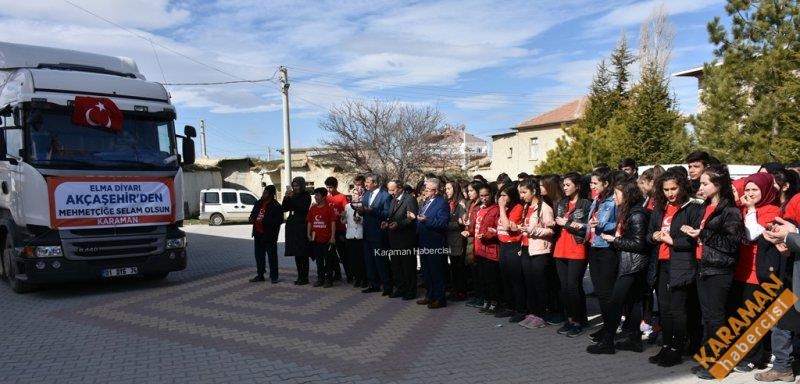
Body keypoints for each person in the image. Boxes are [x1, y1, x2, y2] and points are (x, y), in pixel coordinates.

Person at [677, 164, 743, 379]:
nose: (701, 187)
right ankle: (709, 360)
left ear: (718, 185)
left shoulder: (730, 211)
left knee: (715, 318)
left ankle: (719, 364)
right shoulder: (705, 207)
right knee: (708, 317)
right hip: (702, 267)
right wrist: (695, 233)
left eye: (705, 183)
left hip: (719, 271)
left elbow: (732, 244)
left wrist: (702, 234)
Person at [587, 177, 650, 354]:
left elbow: (639, 243)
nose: (614, 197)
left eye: (616, 193)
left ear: (627, 194)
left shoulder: (636, 214)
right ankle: (634, 339)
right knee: (632, 302)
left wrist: (616, 240)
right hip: (629, 262)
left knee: (615, 302)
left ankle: (608, 341)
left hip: (633, 265)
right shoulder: (628, 211)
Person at [647, 170, 701, 368]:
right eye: (666, 189)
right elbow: (648, 235)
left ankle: (677, 348)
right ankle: (667, 345)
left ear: (682, 187)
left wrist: (672, 240)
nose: (670, 193)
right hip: (661, 263)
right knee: (664, 308)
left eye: (674, 189)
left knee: (678, 309)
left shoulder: (693, 207)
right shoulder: (660, 208)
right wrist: (653, 237)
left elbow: (693, 240)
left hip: (681, 264)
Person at [731, 172, 781, 372]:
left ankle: (755, 358)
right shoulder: (741, 209)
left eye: (755, 190)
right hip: (740, 269)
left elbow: (752, 234)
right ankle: (745, 354)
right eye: (748, 189)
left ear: (766, 190)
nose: (750, 194)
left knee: (754, 319)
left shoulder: (773, 211)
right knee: (741, 317)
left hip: (758, 272)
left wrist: (750, 209)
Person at [553, 172, 591, 337]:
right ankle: (571, 319)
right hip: (560, 248)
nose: (565, 188)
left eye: (568, 185)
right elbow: (557, 223)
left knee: (573, 286)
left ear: (578, 186)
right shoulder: (561, 203)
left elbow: (586, 228)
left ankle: (577, 321)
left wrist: (567, 223)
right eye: (564, 185)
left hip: (577, 248)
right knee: (564, 288)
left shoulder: (586, 204)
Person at [585, 167, 618, 342]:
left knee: (606, 293)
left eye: (595, 183)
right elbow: (591, 223)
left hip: (606, 249)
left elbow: (616, 224)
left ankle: (610, 331)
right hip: (594, 246)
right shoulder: (597, 199)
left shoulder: (613, 200)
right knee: (600, 292)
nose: (592, 186)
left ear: (606, 183)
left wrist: (599, 224)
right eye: (591, 183)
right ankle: (606, 327)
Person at [518, 178, 555, 328]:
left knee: (540, 284)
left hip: (540, 250)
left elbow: (551, 231)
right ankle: (533, 313)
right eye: (520, 192)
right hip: (526, 248)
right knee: (530, 283)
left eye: (524, 192)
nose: (522, 195)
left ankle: (542, 315)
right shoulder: (526, 207)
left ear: (533, 191)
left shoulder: (545, 208)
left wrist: (532, 230)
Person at [409, 178, 451, 309]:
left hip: (435, 243)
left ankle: (440, 298)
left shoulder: (442, 203)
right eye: (425, 189)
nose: (425, 191)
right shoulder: (426, 202)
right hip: (423, 241)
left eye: (428, 189)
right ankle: (430, 295)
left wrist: (426, 220)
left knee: (436, 271)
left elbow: (442, 223)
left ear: (436, 191)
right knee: (426, 271)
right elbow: (421, 220)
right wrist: (414, 218)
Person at [384, 179, 419, 300]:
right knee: (396, 266)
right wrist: (386, 223)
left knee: (408, 266)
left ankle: (410, 291)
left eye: (392, 190)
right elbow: (391, 217)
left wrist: (399, 225)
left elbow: (412, 218)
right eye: (389, 190)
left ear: (400, 188)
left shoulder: (409, 199)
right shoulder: (393, 200)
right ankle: (400, 288)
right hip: (394, 238)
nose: (390, 192)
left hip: (406, 239)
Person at [358, 174, 392, 294]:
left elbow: (387, 213)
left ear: (375, 183)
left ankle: (387, 286)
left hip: (378, 233)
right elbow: (364, 210)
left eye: (368, 182)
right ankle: (374, 284)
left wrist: (372, 211)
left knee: (381, 260)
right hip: (367, 232)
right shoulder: (366, 194)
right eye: (365, 182)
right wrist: (361, 212)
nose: (365, 184)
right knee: (369, 260)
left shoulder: (385, 196)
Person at [495, 182, 524, 320]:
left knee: (515, 280)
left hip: (513, 246)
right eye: (500, 195)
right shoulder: (505, 208)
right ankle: (510, 306)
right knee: (505, 279)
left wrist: (501, 207)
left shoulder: (517, 207)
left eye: (504, 195)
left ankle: (520, 309)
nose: (501, 198)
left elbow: (507, 226)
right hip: (503, 246)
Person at [248, 185, 284, 283]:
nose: (264, 194)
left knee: (272, 256)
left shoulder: (276, 206)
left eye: (266, 193)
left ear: (271, 195)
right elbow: (252, 214)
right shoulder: (258, 203)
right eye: (264, 192)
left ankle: (274, 276)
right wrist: (251, 218)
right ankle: (260, 275)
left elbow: (279, 220)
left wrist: (265, 221)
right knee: (259, 255)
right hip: (258, 234)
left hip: (269, 235)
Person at [282, 177, 312, 285]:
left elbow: (302, 208)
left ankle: (305, 277)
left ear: (302, 186)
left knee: (303, 252)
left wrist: (292, 198)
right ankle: (300, 275)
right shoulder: (292, 195)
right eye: (294, 186)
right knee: (296, 252)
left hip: (302, 225)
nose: (295, 188)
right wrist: (286, 197)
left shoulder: (306, 195)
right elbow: (284, 208)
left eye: (297, 185)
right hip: (292, 225)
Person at [307, 187, 337, 288]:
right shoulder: (313, 208)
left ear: (324, 197)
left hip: (327, 240)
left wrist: (332, 237)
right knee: (319, 261)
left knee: (328, 261)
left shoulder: (329, 208)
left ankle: (329, 279)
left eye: (318, 195)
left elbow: (333, 223)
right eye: (315, 195)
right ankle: (320, 279)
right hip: (316, 239)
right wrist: (308, 234)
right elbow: (310, 222)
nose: (315, 197)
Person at [445, 181, 468, 301]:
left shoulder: (461, 203)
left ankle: (461, 292)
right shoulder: (449, 202)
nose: (446, 191)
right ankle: (455, 290)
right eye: (446, 188)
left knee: (458, 266)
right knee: (453, 266)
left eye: (449, 188)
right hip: (450, 239)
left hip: (458, 240)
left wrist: (444, 224)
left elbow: (462, 223)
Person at [325, 177, 350, 283]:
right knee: (331, 254)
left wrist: (342, 214)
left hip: (340, 230)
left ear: (335, 186)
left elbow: (347, 211)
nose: (329, 190)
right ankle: (337, 274)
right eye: (327, 188)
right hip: (330, 231)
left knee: (343, 254)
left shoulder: (342, 197)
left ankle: (350, 275)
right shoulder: (326, 198)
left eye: (331, 187)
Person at [345, 188, 367, 288]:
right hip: (350, 235)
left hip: (360, 235)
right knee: (353, 259)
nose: (354, 196)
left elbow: (366, 221)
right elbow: (345, 221)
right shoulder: (347, 206)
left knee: (361, 259)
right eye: (353, 194)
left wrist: (360, 220)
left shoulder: (364, 206)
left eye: (356, 194)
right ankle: (356, 278)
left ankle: (364, 279)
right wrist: (342, 217)